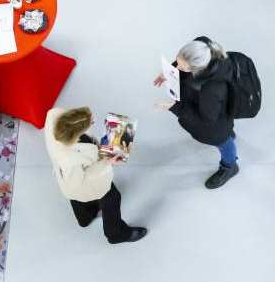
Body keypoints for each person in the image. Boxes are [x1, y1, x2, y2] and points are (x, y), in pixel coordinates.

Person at [43, 106, 147, 244]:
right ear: (76, 134)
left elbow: (54, 112)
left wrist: (79, 117)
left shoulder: (54, 119)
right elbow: (78, 183)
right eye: (90, 123)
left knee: (78, 200)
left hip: (69, 178)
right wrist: (108, 163)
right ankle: (116, 234)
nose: (93, 121)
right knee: (112, 197)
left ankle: (85, 218)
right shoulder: (69, 160)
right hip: (77, 184)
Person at [155, 37, 242, 189]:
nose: (178, 67)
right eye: (178, 61)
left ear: (198, 68)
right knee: (226, 131)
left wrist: (173, 107)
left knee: (222, 140)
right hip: (214, 106)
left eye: (183, 67)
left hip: (214, 119)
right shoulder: (203, 47)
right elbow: (183, 61)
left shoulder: (212, 90)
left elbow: (205, 120)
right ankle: (229, 133)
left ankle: (230, 166)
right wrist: (169, 72)